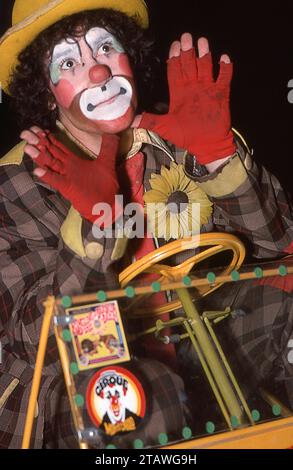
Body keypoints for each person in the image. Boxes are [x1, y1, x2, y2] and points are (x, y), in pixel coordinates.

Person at [0, 0, 292, 449]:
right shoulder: (18, 178)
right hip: (80, 380)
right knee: (140, 399)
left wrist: (218, 157)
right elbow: (35, 336)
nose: (98, 73)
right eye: (70, 62)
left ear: (128, 58)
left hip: (197, 335)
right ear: (45, 92)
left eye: (105, 48)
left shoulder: (178, 133)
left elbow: (278, 245)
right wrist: (96, 226)